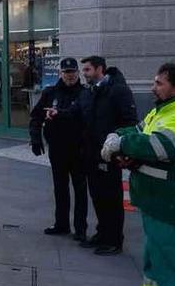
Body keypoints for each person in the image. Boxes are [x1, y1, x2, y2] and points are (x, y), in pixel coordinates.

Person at [101, 63, 175, 286]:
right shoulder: (162, 112)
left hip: (172, 208)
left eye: (159, 83)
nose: (153, 87)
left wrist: (122, 143)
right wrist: (118, 138)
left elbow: (156, 146)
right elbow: (138, 132)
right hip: (156, 205)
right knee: (155, 267)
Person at [49, 55, 137, 255]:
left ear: (100, 69)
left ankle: (114, 240)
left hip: (109, 153)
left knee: (111, 197)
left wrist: (120, 147)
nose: (84, 74)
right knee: (97, 195)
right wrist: (58, 114)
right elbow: (75, 111)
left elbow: (129, 121)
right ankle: (101, 233)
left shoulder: (117, 90)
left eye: (87, 70)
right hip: (91, 153)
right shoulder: (89, 91)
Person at [29, 57, 88, 241]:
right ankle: (61, 224)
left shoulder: (85, 94)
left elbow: (88, 119)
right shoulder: (50, 93)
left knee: (80, 190)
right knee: (60, 188)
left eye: (72, 72)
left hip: (79, 149)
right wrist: (36, 138)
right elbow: (36, 117)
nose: (69, 76)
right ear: (60, 73)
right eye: (66, 72)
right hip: (58, 148)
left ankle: (80, 229)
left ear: (78, 73)